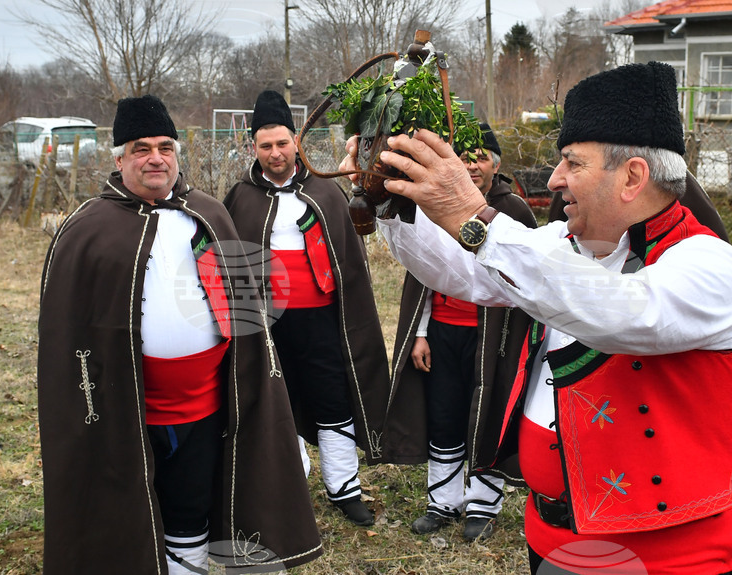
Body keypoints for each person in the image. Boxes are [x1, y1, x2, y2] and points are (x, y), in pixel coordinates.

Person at [356, 62, 732, 572]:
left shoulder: (710, 264)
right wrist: (389, 203)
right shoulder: (563, 246)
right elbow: (463, 273)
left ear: (632, 177)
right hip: (552, 535)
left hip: (671, 553)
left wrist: (477, 218)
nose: (554, 180)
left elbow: (623, 313)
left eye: (573, 163)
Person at [37, 94, 322, 574]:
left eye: (165, 147)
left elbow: (245, 308)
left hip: (205, 403)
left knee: (191, 507)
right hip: (126, 408)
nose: (156, 158)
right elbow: (67, 335)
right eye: (141, 148)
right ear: (120, 159)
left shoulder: (208, 214)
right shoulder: (87, 229)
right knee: (134, 507)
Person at [223, 90, 392, 527]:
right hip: (266, 323)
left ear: (296, 142)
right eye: (266, 146)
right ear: (253, 148)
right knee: (276, 400)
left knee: (331, 398)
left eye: (282, 143)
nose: (276, 153)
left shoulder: (326, 191)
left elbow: (351, 263)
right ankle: (289, 485)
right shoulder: (240, 197)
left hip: (322, 319)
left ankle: (344, 487)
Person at [386, 124, 537, 542]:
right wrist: (419, 332)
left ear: (496, 164)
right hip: (442, 333)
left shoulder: (515, 211)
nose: (471, 164)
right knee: (446, 415)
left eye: (480, 156)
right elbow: (422, 273)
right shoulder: (436, 204)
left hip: (494, 339)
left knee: (486, 414)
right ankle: (443, 502)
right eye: (464, 155)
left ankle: (483, 505)